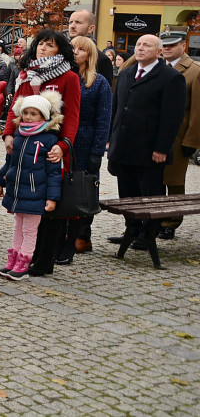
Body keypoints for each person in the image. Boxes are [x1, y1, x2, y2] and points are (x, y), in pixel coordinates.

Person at [2, 29, 81, 276]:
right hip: (23, 145)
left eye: (50, 45)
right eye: (40, 44)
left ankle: (44, 261)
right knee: (25, 205)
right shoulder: (27, 74)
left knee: (49, 209)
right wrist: (7, 134)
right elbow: (15, 108)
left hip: (51, 149)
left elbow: (72, 117)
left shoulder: (69, 77)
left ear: (61, 50)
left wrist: (63, 144)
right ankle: (25, 257)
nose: (42, 48)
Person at [107, 34, 186, 251]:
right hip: (123, 147)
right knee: (127, 194)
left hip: (150, 150)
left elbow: (172, 118)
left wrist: (162, 147)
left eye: (147, 45)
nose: (140, 48)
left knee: (149, 194)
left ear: (159, 52)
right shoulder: (126, 74)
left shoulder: (170, 77)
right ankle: (130, 230)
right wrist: (110, 140)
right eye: (139, 44)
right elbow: (116, 109)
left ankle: (147, 234)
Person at [0, 91, 64, 281]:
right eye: (26, 113)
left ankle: (24, 263)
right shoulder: (19, 135)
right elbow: (10, 162)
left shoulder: (49, 139)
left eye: (34, 114)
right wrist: (0, 181)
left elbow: (54, 172)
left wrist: (52, 197)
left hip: (36, 193)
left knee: (30, 230)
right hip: (17, 191)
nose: (28, 117)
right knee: (18, 227)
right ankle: (13, 259)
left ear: (43, 116)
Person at [56, 36, 112, 261]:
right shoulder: (63, 77)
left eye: (81, 49)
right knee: (60, 186)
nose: (76, 52)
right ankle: (61, 232)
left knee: (83, 189)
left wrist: (97, 151)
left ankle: (83, 234)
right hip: (62, 141)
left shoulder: (99, 83)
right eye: (73, 48)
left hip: (86, 141)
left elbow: (103, 120)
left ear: (90, 55)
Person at [156, 30, 200, 240]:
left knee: (173, 182)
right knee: (154, 180)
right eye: (163, 45)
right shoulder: (156, 67)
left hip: (178, 135)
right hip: (155, 134)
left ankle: (171, 222)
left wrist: (191, 140)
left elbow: (197, 110)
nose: (166, 49)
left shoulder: (194, 71)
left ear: (184, 46)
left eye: (171, 45)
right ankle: (153, 220)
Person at [67, 10, 114, 84]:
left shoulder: (101, 59)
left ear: (91, 28)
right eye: (70, 22)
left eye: (78, 22)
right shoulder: (61, 52)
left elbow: (105, 91)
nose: (72, 26)